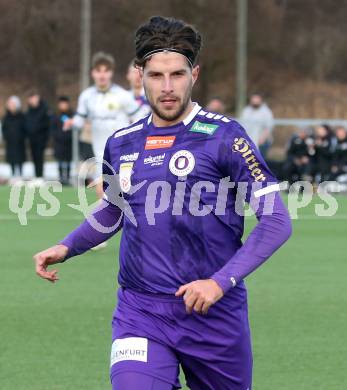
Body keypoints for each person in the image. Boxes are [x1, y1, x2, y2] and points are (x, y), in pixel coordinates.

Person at [33, 16, 292, 390]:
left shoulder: (225, 136)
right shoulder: (121, 143)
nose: (167, 87)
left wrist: (219, 283)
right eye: (156, 75)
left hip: (214, 312)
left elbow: (276, 221)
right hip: (141, 312)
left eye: (177, 75)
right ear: (139, 75)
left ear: (195, 74)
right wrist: (68, 245)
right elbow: (114, 208)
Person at [64, 52, 147, 199]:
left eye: (106, 71)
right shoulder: (87, 96)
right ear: (93, 73)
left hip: (123, 151)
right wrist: (72, 123)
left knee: (124, 192)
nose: (102, 75)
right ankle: (107, 221)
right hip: (100, 154)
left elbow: (140, 117)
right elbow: (80, 119)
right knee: (102, 193)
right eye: (98, 71)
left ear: (111, 73)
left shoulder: (122, 95)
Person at [24, 90, 50, 186]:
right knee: (34, 157)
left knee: (40, 157)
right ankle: (37, 176)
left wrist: (46, 137)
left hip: (41, 138)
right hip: (32, 138)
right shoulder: (29, 111)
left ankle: (40, 177)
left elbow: (47, 124)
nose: (32, 100)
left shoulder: (44, 109)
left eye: (34, 98)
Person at [240, 93, 274, 158]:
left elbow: (268, 127)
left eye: (257, 101)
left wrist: (263, 139)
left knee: (260, 162)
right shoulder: (246, 111)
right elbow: (242, 125)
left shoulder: (266, 112)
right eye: (253, 101)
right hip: (247, 141)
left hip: (261, 142)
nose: (255, 103)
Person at [2, 96, 26, 183]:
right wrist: (6, 137)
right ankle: (13, 175)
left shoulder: (22, 116)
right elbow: (4, 129)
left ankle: (20, 174)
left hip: (20, 142)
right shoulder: (6, 117)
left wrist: (22, 137)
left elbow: (25, 128)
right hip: (10, 142)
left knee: (20, 158)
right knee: (11, 158)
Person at [50, 96, 74, 185]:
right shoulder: (55, 115)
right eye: (61, 104)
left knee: (68, 160)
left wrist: (70, 136)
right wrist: (57, 136)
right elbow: (52, 128)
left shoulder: (72, 115)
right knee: (59, 160)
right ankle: (61, 177)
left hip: (69, 142)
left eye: (65, 104)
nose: (63, 106)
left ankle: (67, 177)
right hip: (58, 142)